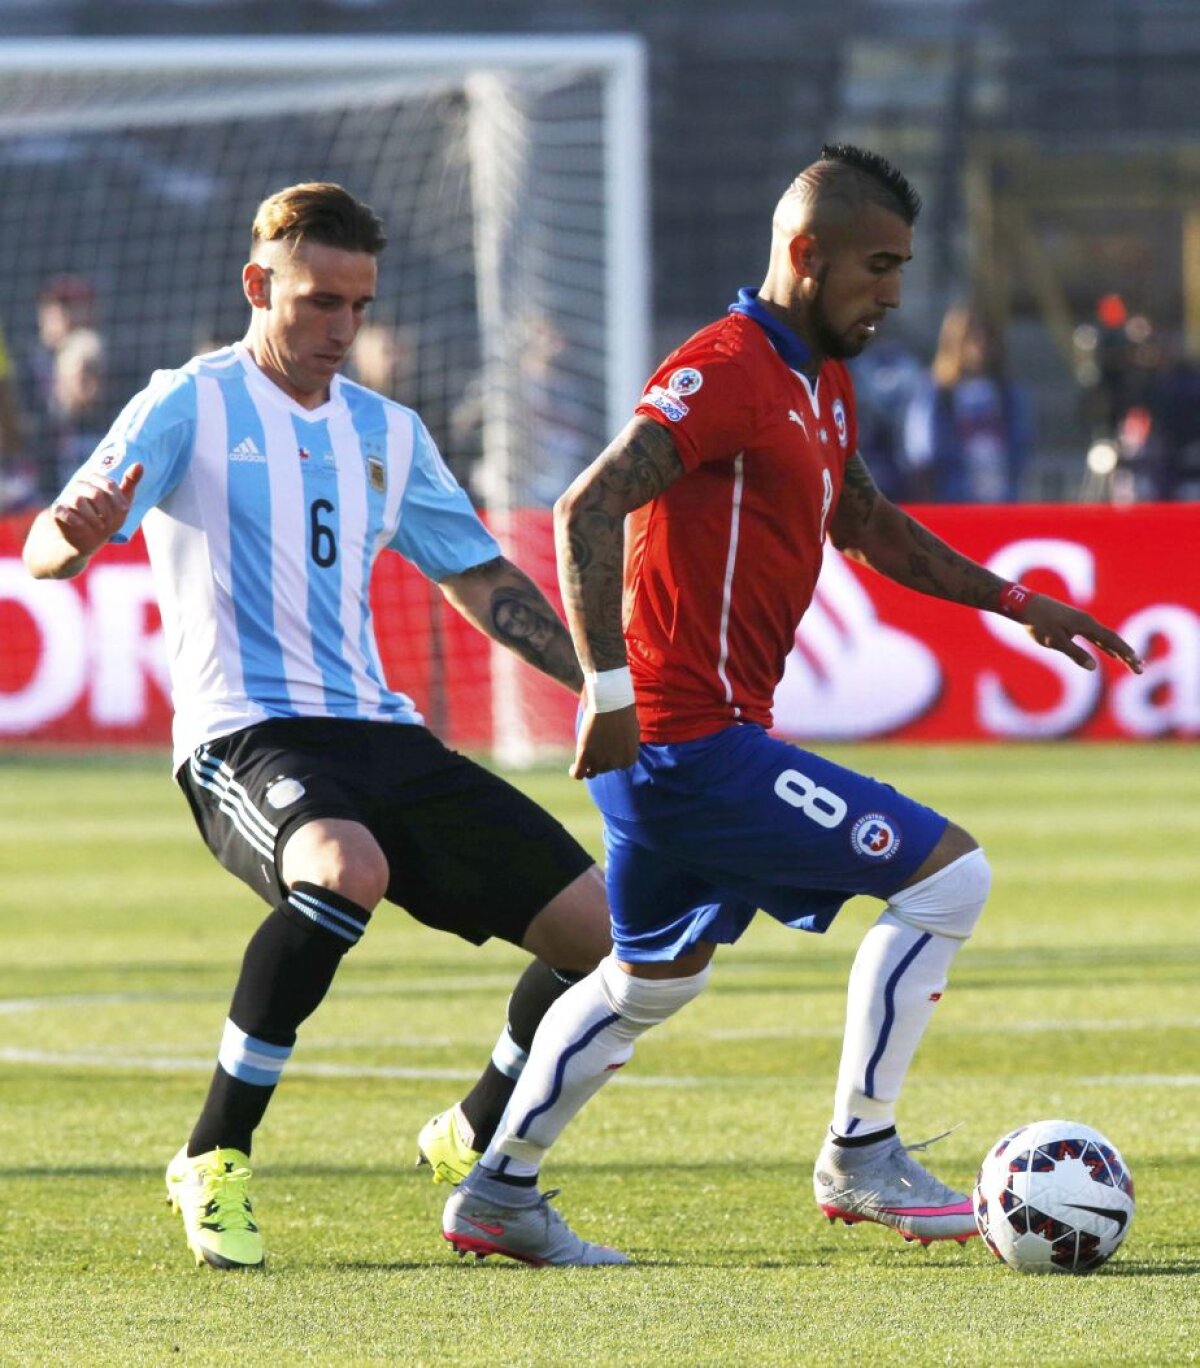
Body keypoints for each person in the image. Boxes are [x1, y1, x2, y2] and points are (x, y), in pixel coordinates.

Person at [440, 144, 1144, 1267]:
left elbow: (865, 524)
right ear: (805, 254)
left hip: (700, 738)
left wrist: (1017, 602)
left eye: (904, 268)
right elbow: (585, 506)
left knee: (649, 979)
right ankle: (861, 1154)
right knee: (950, 874)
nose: (896, 294)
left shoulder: (819, 382)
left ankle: (498, 1192)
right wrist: (608, 691)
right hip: (684, 737)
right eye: (877, 266)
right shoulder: (724, 368)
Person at [22, 182, 614, 1271]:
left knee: (610, 939)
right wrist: (72, 533)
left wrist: (600, 684)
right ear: (260, 286)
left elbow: (480, 579)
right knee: (345, 868)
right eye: (317, 302)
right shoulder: (187, 402)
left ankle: (474, 1133)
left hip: (379, 732)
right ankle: (214, 1157)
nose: (341, 329)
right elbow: (50, 549)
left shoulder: (387, 430)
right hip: (244, 734)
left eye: (358, 305)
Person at [902, 303, 1032, 502]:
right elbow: (922, 453)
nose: (980, 346)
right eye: (971, 338)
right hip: (953, 500)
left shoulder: (1006, 392)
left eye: (986, 338)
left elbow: (1020, 444)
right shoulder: (935, 393)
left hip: (1001, 500)